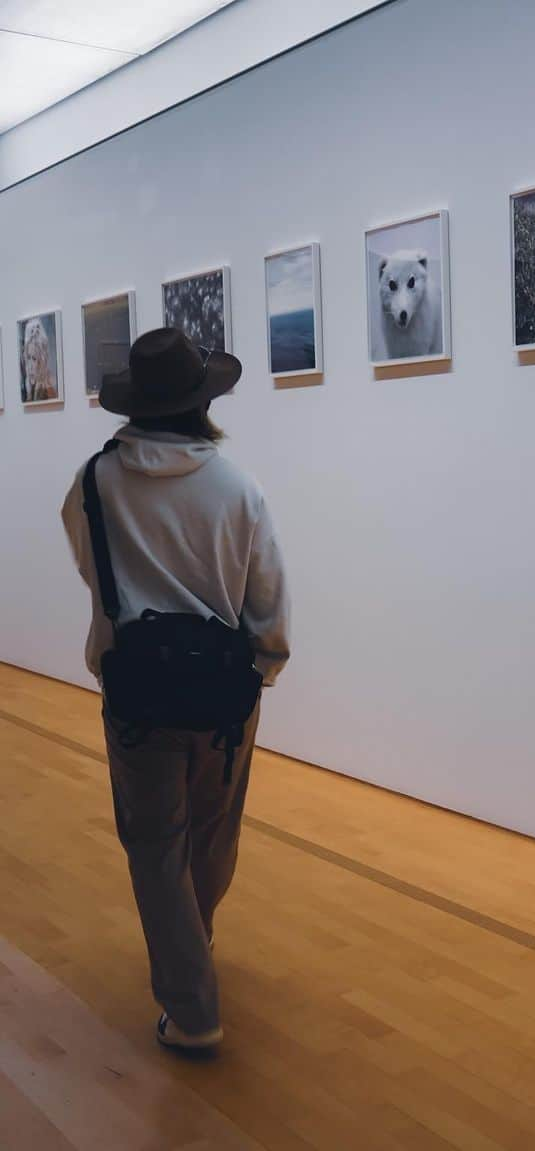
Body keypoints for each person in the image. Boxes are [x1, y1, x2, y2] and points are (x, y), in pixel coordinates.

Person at [61, 327, 290, 1051]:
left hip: (137, 694)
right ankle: (196, 950)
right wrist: (266, 666)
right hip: (226, 696)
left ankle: (193, 1009)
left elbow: (93, 573)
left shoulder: (95, 481)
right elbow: (268, 595)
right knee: (213, 833)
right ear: (202, 401)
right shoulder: (237, 486)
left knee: (155, 841)